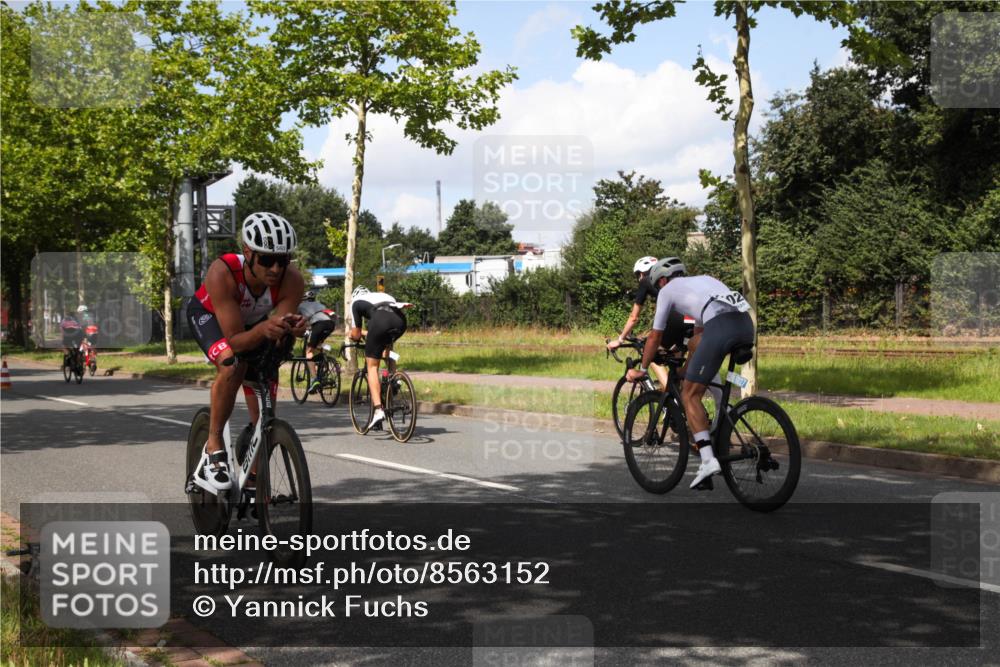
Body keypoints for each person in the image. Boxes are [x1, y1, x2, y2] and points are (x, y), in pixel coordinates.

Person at [186, 212, 307, 491]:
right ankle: (213, 447)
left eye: (283, 260)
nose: (276, 268)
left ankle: (252, 481)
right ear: (247, 252)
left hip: (252, 325)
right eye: (266, 259)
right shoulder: (223, 272)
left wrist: (292, 329)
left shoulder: (292, 280)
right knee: (232, 364)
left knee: (265, 409)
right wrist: (266, 328)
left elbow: (276, 335)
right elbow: (237, 341)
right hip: (210, 318)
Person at [626, 257, 754, 490]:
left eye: (658, 285)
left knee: (689, 396)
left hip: (721, 328)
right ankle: (722, 427)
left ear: (662, 280)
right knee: (698, 363)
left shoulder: (667, 291)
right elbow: (697, 338)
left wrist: (642, 370)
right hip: (745, 325)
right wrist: (685, 370)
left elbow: (655, 336)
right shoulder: (704, 281)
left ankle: (707, 460)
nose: (659, 290)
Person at [348, 286, 412, 431]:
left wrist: (352, 335)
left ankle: (378, 410)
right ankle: (393, 379)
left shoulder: (356, 302)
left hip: (380, 321)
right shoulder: (384, 295)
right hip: (400, 321)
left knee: (372, 366)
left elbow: (356, 334)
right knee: (386, 350)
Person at [297, 290, 337, 394]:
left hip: (319, 326)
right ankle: (323, 361)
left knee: (309, 353)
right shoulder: (320, 304)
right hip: (331, 324)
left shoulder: (300, 306)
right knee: (317, 345)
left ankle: (314, 380)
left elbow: (298, 321)